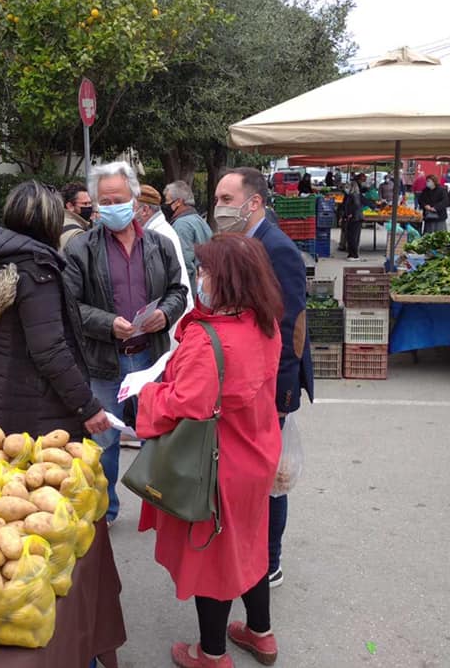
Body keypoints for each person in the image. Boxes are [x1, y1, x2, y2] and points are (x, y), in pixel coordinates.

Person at [137, 233, 284, 668]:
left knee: (213, 561)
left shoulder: (209, 339)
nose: (199, 277)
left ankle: (212, 654)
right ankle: (261, 634)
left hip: (218, 465)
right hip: (257, 452)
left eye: (204, 271)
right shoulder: (265, 322)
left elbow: (186, 405)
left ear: (227, 280)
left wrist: (147, 396)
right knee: (251, 546)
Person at [64, 161, 188, 525]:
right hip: (104, 360)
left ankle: (160, 509)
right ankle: (104, 513)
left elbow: (178, 290)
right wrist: (106, 324)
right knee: (103, 444)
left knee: (158, 437)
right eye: (103, 201)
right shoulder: (81, 249)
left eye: (117, 198)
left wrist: (165, 314)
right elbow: (70, 305)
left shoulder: (161, 245)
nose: (109, 207)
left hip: (150, 357)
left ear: (134, 201)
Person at [213, 167, 313, 589]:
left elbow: (291, 326)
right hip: (248, 384)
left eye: (225, 200)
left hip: (273, 386)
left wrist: (283, 396)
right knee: (254, 474)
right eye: (218, 199)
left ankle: (270, 562)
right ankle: (250, 552)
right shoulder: (242, 242)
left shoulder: (277, 248)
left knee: (273, 478)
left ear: (253, 203)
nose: (218, 208)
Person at [0, 180, 110, 442]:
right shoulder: (36, 271)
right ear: (49, 222)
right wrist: (87, 406)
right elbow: (50, 351)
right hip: (30, 413)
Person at [135, 184, 194, 343]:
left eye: (130, 207)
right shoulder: (159, 231)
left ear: (145, 210)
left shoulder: (158, 236)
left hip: (166, 321)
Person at [164, 180, 213, 287]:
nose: (165, 205)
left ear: (178, 202)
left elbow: (183, 265)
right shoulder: (199, 220)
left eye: (167, 201)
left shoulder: (181, 225)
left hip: (191, 291)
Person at [59, 182, 94, 251]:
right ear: (70, 206)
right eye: (85, 204)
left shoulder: (57, 222)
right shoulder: (77, 234)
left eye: (90, 203)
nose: (89, 207)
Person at [342, 173, 365, 260]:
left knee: (352, 237)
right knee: (352, 236)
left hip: (355, 218)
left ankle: (354, 255)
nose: (346, 188)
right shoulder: (353, 195)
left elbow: (355, 205)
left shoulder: (354, 195)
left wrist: (349, 214)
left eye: (348, 187)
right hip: (356, 218)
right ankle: (352, 254)